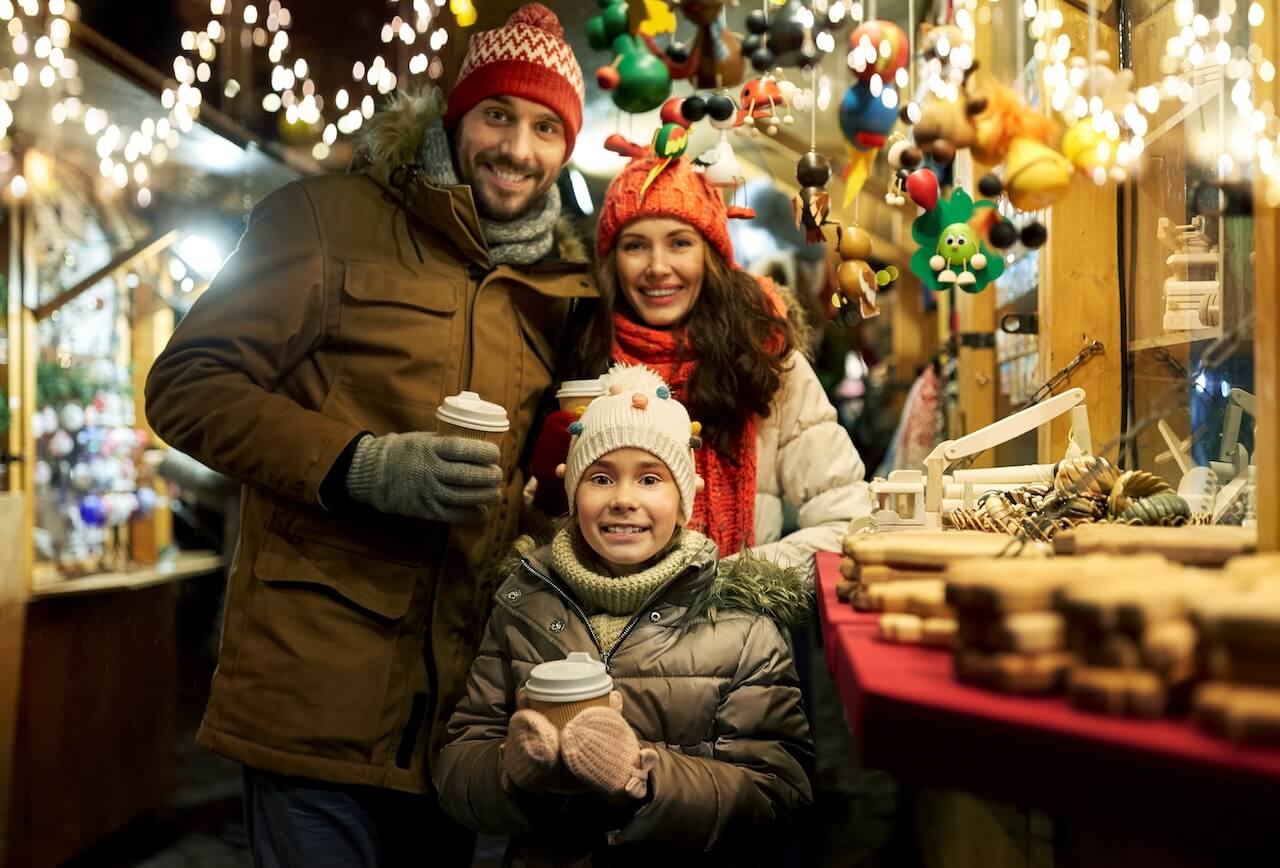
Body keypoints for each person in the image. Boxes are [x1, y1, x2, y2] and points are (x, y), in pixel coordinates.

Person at [143, 5, 593, 865]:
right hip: (317, 692)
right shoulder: (323, 217)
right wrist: (360, 465)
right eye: (498, 115)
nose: (518, 149)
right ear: (456, 117)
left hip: (463, 717)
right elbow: (186, 386)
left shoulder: (559, 289)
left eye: (545, 128)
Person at [435, 364, 814, 866]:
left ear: (684, 501)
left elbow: (776, 789)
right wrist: (510, 773)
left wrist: (644, 777)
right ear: (573, 495)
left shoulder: (741, 626)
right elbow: (460, 758)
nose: (624, 500)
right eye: (601, 477)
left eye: (651, 478)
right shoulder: (523, 605)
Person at [534, 148, 869, 574]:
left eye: (679, 243)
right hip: (597, 632)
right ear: (612, 261)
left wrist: (724, 584)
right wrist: (550, 495)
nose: (658, 267)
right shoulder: (579, 350)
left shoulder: (762, 358)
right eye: (636, 246)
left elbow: (844, 520)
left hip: (737, 629)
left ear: (711, 256)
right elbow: (538, 539)